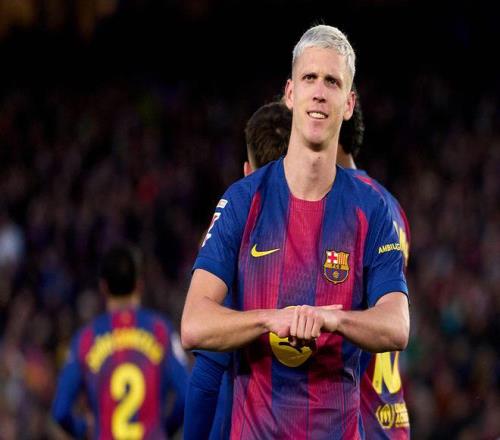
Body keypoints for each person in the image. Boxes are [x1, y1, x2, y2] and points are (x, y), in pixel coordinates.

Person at [181, 24, 409, 439]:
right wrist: (272, 319)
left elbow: (397, 326)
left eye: (332, 82)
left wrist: (331, 319)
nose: (319, 92)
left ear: (349, 103)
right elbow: (194, 324)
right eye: (309, 78)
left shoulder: (371, 209)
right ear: (290, 93)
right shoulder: (242, 201)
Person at [52, 244, 188, 439]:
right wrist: (164, 429)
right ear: (139, 284)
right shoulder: (161, 331)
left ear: (103, 287)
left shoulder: (86, 338)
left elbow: (60, 411)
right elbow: (187, 395)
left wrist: (84, 430)